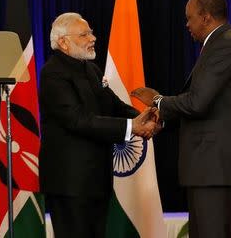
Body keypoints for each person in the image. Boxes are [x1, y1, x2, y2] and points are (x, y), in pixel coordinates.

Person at [131, 0, 231, 237]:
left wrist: (158, 101)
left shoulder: (225, 45)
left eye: (190, 18)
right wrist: (162, 121)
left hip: (216, 169)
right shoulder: (219, 44)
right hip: (208, 169)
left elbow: (198, 102)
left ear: (206, 17)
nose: (187, 24)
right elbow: (205, 107)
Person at [39, 12, 159, 238]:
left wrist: (148, 117)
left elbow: (113, 105)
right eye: (84, 34)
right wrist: (132, 126)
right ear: (63, 42)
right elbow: (77, 120)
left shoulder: (91, 69)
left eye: (91, 32)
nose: (93, 38)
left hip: (96, 180)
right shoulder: (52, 73)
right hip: (70, 184)